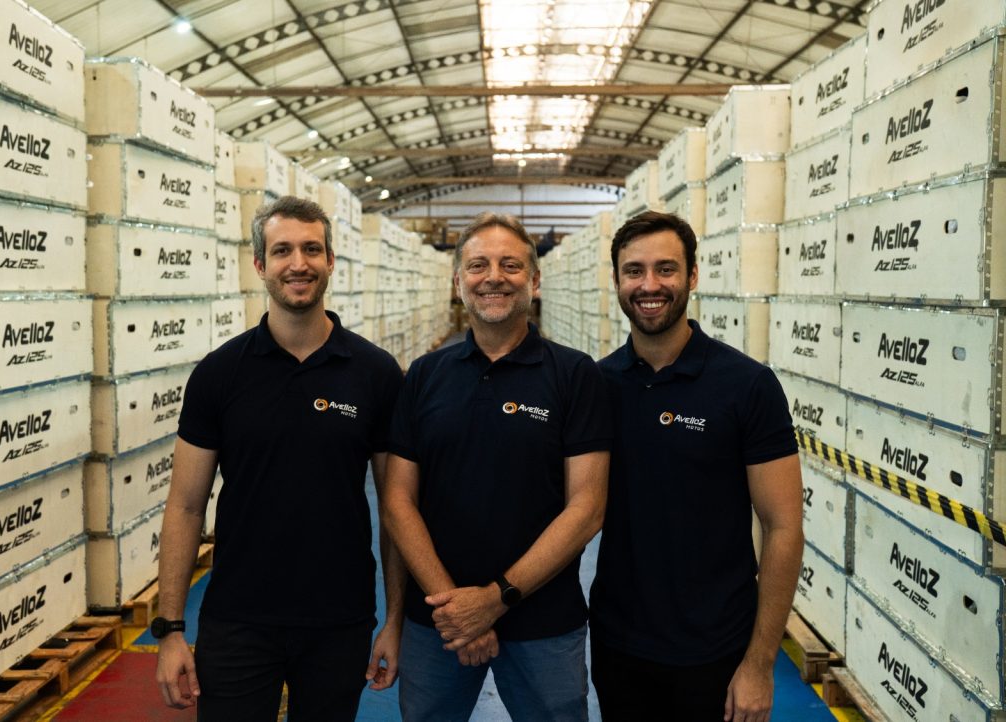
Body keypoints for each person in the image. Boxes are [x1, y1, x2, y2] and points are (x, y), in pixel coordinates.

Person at [154, 196, 406, 721]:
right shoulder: (219, 374)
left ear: (331, 261)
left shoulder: (375, 373)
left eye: (312, 249)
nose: (299, 263)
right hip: (238, 620)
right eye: (283, 250)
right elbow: (183, 506)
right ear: (260, 265)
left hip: (339, 620)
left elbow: (395, 508)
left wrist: (395, 620)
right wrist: (172, 629)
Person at [382, 213, 611, 721]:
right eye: (478, 264)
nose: (493, 277)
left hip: (545, 625)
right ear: (458, 280)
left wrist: (495, 599)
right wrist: (455, 611)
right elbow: (398, 501)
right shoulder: (425, 375)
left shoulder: (574, 375)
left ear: (534, 280)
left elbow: (587, 507)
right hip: (436, 625)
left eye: (511, 265)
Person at [590, 211, 804, 722]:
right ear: (618, 280)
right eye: (633, 270)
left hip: (718, 650)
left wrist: (759, 662)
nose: (649, 285)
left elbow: (784, 527)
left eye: (665, 269)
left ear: (692, 276)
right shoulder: (596, 386)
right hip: (619, 645)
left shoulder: (747, 385)